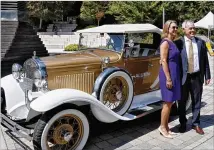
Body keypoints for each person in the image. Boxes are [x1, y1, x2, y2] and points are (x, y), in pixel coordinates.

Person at [175, 20, 211, 135]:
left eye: (193, 28)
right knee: (182, 102)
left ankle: (196, 123)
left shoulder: (200, 42)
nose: (192, 30)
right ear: (184, 29)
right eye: (190, 28)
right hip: (183, 78)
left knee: (197, 101)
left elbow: (205, 61)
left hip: (197, 77)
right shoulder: (178, 43)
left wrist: (207, 75)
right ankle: (183, 123)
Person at [158, 20, 180, 139]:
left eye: (176, 27)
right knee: (167, 102)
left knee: (170, 102)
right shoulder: (165, 43)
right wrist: (168, 78)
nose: (175, 29)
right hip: (168, 75)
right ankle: (162, 127)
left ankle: (166, 127)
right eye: (173, 27)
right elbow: (163, 61)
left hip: (173, 74)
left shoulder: (173, 42)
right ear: (167, 29)